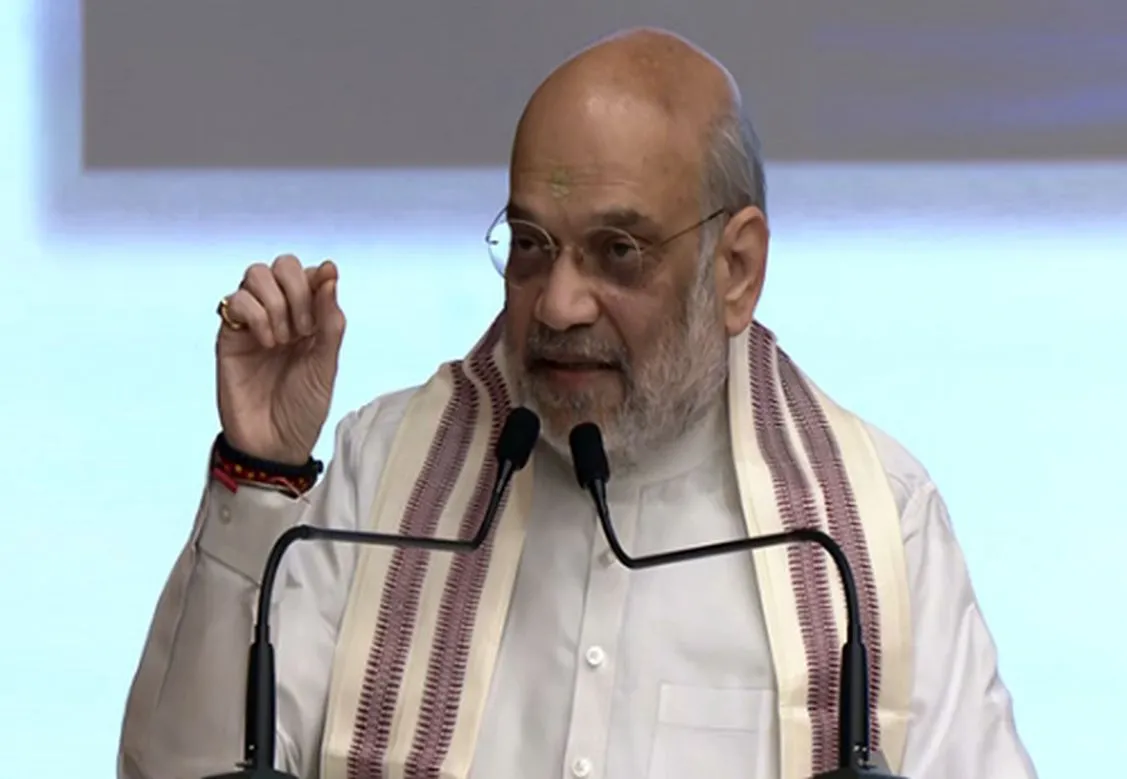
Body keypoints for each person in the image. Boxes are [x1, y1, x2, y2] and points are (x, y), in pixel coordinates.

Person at [117, 27, 1037, 779]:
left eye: (617, 252)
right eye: (530, 244)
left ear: (735, 269)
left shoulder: (870, 529)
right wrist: (261, 473)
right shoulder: (384, 475)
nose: (558, 305)